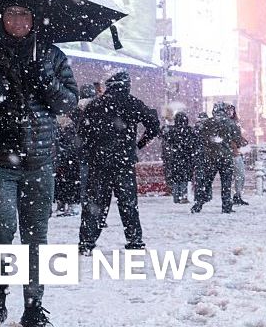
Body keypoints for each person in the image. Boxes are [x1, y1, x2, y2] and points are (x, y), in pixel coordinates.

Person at [0, 2, 78, 327]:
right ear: (1, 18)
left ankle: (34, 306)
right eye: (11, 14)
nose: (18, 21)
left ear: (34, 19)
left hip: (39, 161)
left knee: (36, 236)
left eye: (24, 14)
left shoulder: (50, 54)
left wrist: (45, 79)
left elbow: (69, 101)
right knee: (1, 231)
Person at [78, 71, 161, 254]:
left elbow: (82, 132)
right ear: (126, 85)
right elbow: (154, 125)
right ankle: (134, 240)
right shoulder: (133, 103)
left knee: (95, 204)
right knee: (128, 203)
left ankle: (86, 242)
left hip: (99, 162)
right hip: (124, 161)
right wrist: (138, 145)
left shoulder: (96, 105)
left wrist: (92, 149)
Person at [191, 102, 245, 214]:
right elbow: (238, 140)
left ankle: (198, 204)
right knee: (226, 183)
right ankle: (226, 206)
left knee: (207, 182)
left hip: (210, 157)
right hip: (226, 157)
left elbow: (200, 137)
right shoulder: (231, 123)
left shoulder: (207, 123)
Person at [161, 111, 197, 204]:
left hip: (175, 157)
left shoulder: (172, 130)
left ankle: (176, 197)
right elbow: (195, 142)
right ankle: (183, 196)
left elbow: (164, 138)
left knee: (176, 178)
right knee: (185, 178)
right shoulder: (189, 130)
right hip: (187, 157)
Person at [53, 111, 84, 217]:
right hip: (64, 158)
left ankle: (70, 204)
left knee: (70, 181)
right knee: (62, 181)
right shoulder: (59, 126)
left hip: (70, 158)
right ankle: (62, 203)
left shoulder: (72, 124)